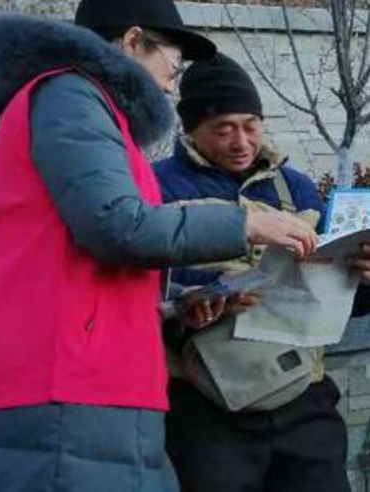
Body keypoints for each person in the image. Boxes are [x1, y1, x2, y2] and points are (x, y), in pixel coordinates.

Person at [0, 3, 319, 492]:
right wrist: (247, 222)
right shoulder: (69, 95)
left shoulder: (84, 108)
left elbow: (89, 255)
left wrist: (178, 307)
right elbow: (116, 226)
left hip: (98, 386)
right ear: (132, 42)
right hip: (67, 389)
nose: (173, 85)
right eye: (174, 63)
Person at [154, 53, 370, 492]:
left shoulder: (297, 188)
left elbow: (340, 305)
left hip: (302, 397)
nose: (242, 142)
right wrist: (200, 299)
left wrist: (362, 278)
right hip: (206, 410)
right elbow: (133, 295)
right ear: (189, 129)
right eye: (223, 129)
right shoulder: (157, 189)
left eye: (251, 126)